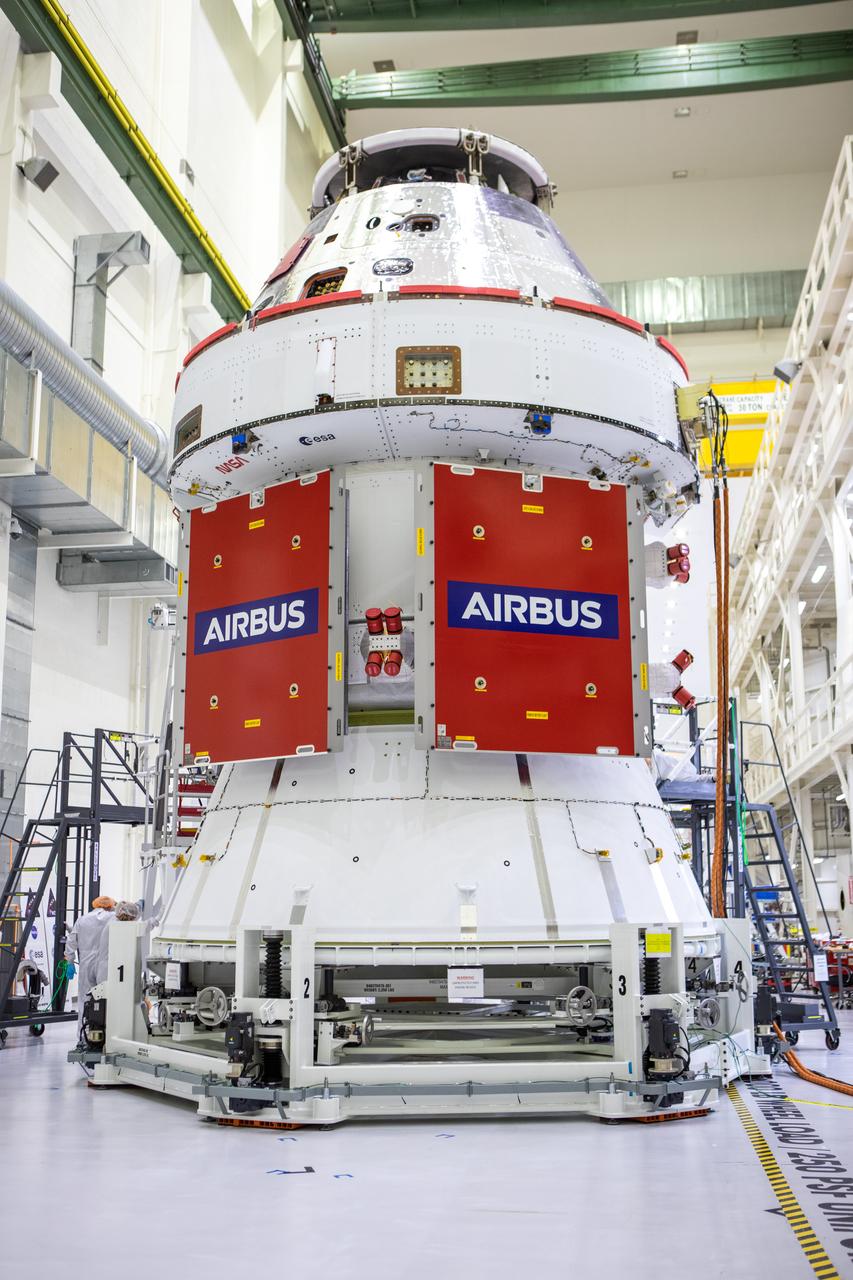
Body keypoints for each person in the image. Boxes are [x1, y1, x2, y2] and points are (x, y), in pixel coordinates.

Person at [64, 897, 115, 1042]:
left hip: (86, 963)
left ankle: (82, 1037)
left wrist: (69, 962)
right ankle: (105, 1036)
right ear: (110, 906)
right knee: (106, 998)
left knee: (84, 1000)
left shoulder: (83, 919)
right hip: (104, 964)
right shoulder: (112, 917)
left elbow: (71, 941)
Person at [94, 899, 141, 988]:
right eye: (132, 918)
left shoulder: (115, 921)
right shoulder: (117, 926)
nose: (132, 920)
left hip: (108, 970)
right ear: (128, 916)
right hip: (109, 972)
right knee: (113, 999)